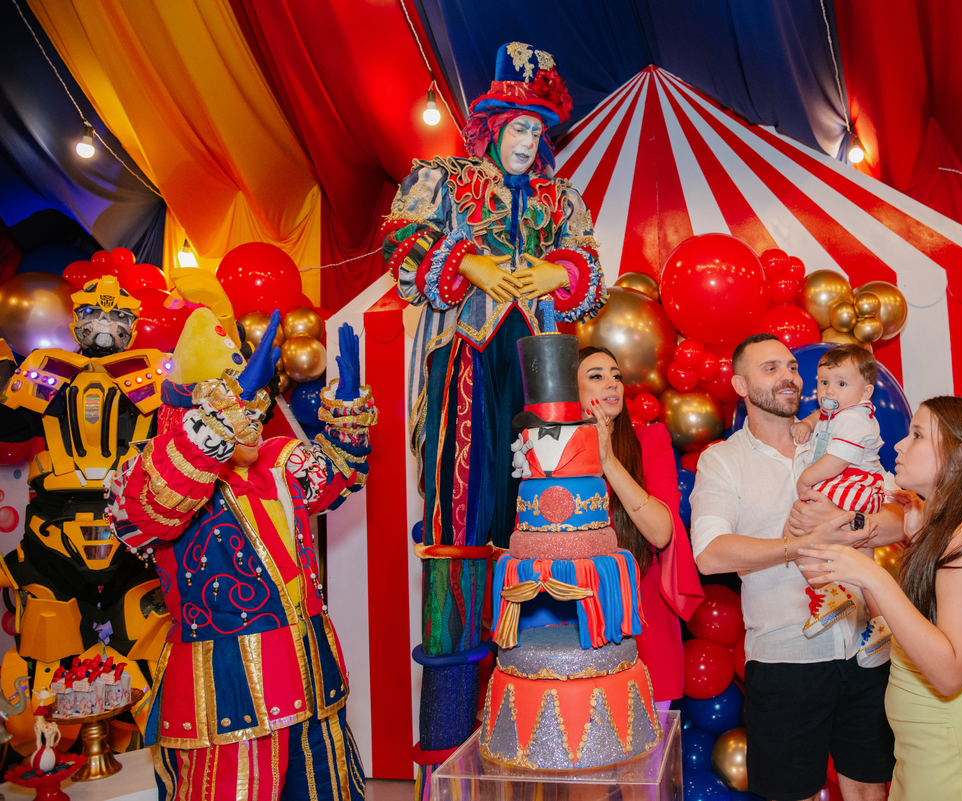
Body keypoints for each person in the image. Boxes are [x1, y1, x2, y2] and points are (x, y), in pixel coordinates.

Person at [382, 41, 605, 761]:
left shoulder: (558, 196)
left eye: (537, 130)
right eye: (517, 126)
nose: (526, 140)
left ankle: (539, 696)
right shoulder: (442, 178)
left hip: (539, 363)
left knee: (545, 511)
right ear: (490, 125)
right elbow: (401, 243)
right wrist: (465, 260)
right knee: (457, 516)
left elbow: (589, 263)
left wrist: (556, 272)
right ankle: (447, 733)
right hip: (467, 357)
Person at [106, 308, 375, 800]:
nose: (250, 420)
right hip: (227, 696)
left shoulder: (276, 460)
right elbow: (155, 508)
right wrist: (229, 412)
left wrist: (349, 405)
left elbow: (338, 477)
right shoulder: (150, 475)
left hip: (312, 680)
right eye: (235, 407)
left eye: (255, 404)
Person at [690, 333, 895, 801]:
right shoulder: (723, 460)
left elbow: (899, 519)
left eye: (791, 367)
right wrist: (799, 544)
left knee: (870, 787)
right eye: (771, 369)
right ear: (740, 385)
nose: (789, 376)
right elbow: (711, 552)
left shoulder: (838, 435)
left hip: (868, 652)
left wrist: (850, 520)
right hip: (787, 658)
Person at [797, 396, 962, 801]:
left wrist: (872, 576)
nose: (899, 446)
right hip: (923, 754)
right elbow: (914, 627)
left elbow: (950, 672)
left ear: (960, 457)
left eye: (917, 435)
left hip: (958, 759)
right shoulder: (947, 530)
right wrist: (854, 569)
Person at [0, 275, 166, 753]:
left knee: (146, 634)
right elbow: (10, 421)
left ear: (133, 323)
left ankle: (149, 743)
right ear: (76, 321)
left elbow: (187, 435)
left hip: (134, 527)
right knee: (46, 635)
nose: (105, 326)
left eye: (118, 316)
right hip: (54, 523)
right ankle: (47, 749)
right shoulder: (47, 366)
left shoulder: (154, 369)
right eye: (95, 315)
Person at [576, 346, 702, 708]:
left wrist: (608, 461)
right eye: (596, 376)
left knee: (650, 756)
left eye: (616, 375)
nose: (612, 383)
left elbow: (661, 532)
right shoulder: (550, 447)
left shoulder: (652, 439)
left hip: (644, 615)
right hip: (576, 614)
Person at [790, 345, 890, 663]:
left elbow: (835, 461)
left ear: (867, 392)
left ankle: (831, 593)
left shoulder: (853, 421)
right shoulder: (842, 413)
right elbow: (822, 415)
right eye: (823, 382)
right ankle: (882, 622)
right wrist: (807, 422)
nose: (829, 390)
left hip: (853, 484)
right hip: (860, 488)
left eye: (841, 384)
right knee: (864, 560)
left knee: (798, 528)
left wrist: (806, 479)